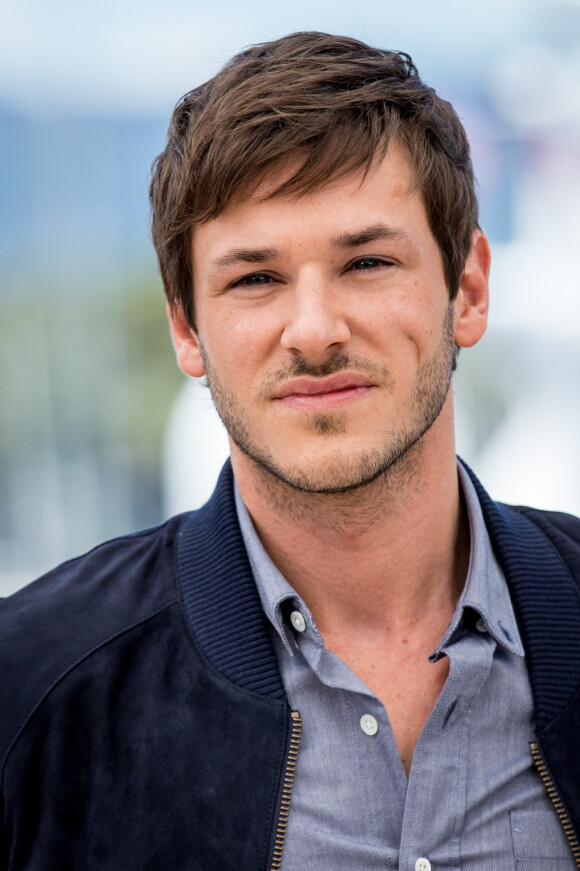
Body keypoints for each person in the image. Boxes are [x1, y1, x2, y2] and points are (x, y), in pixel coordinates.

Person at [2, 31, 580, 871]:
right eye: (255, 279)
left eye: (369, 261)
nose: (313, 332)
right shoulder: (33, 691)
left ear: (468, 290)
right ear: (185, 327)